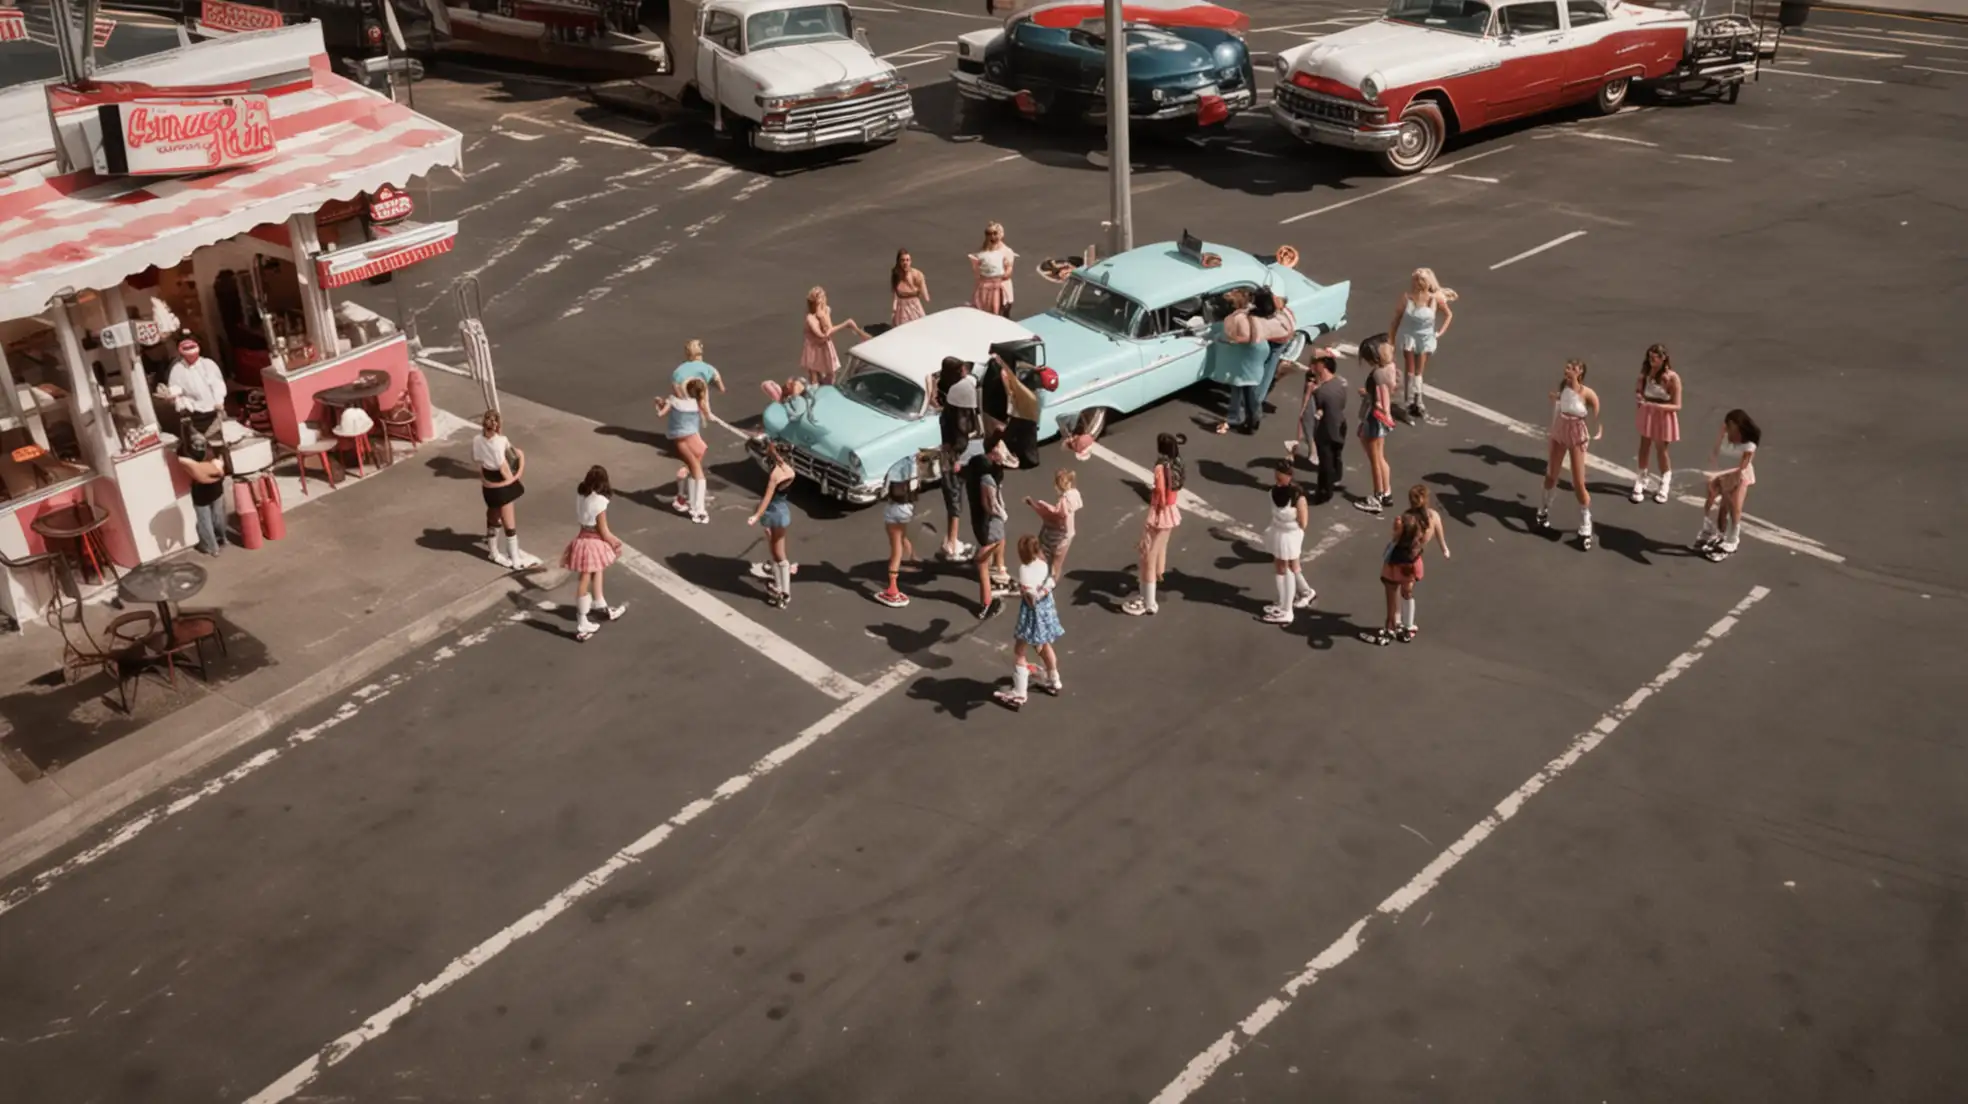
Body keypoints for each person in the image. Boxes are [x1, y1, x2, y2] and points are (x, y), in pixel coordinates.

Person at [1538, 359, 1604, 549]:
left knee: (1578, 482)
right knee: (1551, 475)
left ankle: (1586, 524)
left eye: (1572, 369)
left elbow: (1597, 417)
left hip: (1576, 434)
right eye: (1566, 367)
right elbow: (1560, 403)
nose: (1567, 371)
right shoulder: (1563, 386)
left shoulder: (1587, 393)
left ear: (1580, 372)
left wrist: (1597, 429)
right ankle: (1542, 510)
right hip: (1560, 431)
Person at [1373, 484, 1450, 645]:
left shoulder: (1406, 518)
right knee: (1407, 592)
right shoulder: (1433, 517)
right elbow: (1439, 533)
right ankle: (1408, 626)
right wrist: (1444, 548)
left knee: (1392, 591)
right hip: (1413, 562)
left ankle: (1392, 625)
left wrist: (1396, 528)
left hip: (1397, 561)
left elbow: (1396, 539)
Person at [994, 534, 1065, 710]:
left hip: (1032, 616)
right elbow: (1050, 582)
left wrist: (1024, 592)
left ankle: (1019, 691)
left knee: (1019, 650)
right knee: (1044, 645)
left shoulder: (1024, 570)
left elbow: (1031, 598)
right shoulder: (1043, 565)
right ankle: (1054, 679)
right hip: (1047, 613)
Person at [561, 466, 626, 642]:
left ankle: (599, 603)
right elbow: (604, 531)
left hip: (582, 537)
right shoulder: (599, 502)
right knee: (585, 578)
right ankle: (582, 622)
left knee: (597, 569)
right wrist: (615, 544)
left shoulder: (582, 495)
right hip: (593, 541)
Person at [1123, 433, 1185, 616]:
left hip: (1160, 513)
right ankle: (1156, 579)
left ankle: (1149, 602)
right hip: (1171, 511)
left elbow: (1158, 491)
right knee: (1158, 550)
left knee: (1147, 557)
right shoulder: (1178, 463)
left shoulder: (1160, 467)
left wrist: (1157, 507)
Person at [473, 410, 541, 569]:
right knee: (509, 523)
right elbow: (511, 461)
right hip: (501, 483)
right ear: (497, 425)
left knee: (493, 516)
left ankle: (493, 550)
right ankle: (515, 557)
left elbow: (477, 460)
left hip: (488, 483)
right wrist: (521, 462)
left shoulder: (476, 440)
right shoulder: (501, 441)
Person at [1388, 268, 1456, 422]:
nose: (1418, 284)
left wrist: (1439, 332)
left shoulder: (1434, 299)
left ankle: (1418, 401)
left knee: (1419, 372)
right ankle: (1409, 401)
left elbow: (1448, 314)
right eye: (1416, 281)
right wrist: (1391, 340)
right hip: (1409, 336)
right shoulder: (1407, 298)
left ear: (1427, 283)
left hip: (1425, 338)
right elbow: (1396, 319)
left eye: (1421, 281)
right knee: (1410, 370)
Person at [1696, 409, 1761, 562]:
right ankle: (1717, 534)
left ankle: (1732, 540)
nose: (1729, 429)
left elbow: (1742, 467)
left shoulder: (1749, 446)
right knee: (1712, 502)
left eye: (1732, 426)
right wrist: (1713, 472)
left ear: (1740, 427)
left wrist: (1728, 485)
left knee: (1733, 508)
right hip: (1721, 472)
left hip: (1738, 476)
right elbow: (1715, 452)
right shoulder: (1725, 435)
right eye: (1727, 425)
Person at [1260, 460, 1318, 626]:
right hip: (1278, 532)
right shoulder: (1272, 492)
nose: (1277, 479)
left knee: (1287, 568)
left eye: (1281, 476)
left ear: (1289, 476)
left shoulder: (1298, 496)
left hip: (1291, 535)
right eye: (1276, 476)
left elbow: (1303, 523)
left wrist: (1289, 528)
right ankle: (1291, 599)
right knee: (1282, 566)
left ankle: (1287, 610)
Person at [936, 361, 983, 562]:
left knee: (951, 497)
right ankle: (952, 543)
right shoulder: (961, 395)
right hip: (958, 454)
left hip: (946, 450)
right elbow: (963, 431)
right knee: (959, 496)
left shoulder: (944, 388)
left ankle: (951, 539)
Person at [654, 377, 712, 524]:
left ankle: (698, 510)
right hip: (696, 440)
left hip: (683, 441)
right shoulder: (697, 403)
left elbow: (661, 414)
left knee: (697, 472)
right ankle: (694, 506)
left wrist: (658, 404)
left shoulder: (674, 401)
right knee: (695, 471)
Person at [747, 439, 797, 608]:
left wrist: (756, 516)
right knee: (776, 551)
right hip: (782, 511)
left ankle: (783, 591)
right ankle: (781, 587)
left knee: (778, 554)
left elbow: (767, 498)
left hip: (773, 512)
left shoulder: (775, 474)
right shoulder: (790, 471)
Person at [1354, 335, 1400, 514]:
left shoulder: (1377, 374)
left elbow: (1381, 399)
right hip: (1379, 419)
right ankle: (1386, 492)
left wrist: (1372, 400)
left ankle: (1377, 496)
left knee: (1375, 459)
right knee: (1380, 456)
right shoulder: (1389, 368)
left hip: (1374, 417)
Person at [1631, 343, 1682, 504]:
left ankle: (1665, 480)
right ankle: (1641, 477)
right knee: (1644, 446)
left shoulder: (1673, 378)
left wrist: (1657, 406)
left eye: (1654, 357)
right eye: (1649, 357)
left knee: (1661, 450)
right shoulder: (1645, 374)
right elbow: (1638, 390)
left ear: (1663, 358)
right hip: (1648, 413)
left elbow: (1677, 405)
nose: (1651, 360)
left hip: (1663, 416)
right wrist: (1639, 397)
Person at [1215, 288, 1270, 435]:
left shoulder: (1241, 318)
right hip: (1252, 353)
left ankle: (1251, 421)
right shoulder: (1250, 313)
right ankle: (1246, 418)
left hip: (1248, 355)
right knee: (1244, 387)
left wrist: (1230, 340)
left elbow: (1246, 337)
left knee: (1247, 389)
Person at [1298, 350, 1348, 503]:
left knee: (1325, 462)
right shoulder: (1340, 383)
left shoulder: (1320, 391)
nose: (1313, 365)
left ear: (1324, 366)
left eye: (1316, 363)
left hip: (1326, 430)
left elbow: (1313, 410)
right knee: (1336, 456)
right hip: (1340, 425)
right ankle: (1336, 479)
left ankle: (1324, 492)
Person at [969, 442, 1010, 618]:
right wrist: (1003, 514)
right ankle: (987, 603)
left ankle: (986, 600)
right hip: (990, 525)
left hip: (979, 525)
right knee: (983, 567)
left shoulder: (972, 481)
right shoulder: (987, 481)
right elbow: (991, 505)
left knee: (984, 561)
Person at [163, 336, 228, 439]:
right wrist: (177, 401)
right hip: (193, 414)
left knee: (217, 443)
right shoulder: (177, 370)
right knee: (199, 447)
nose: (189, 351)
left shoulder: (208, 364)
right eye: (186, 348)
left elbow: (218, 385)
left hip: (213, 411)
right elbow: (175, 391)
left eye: (191, 347)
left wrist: (219, 402)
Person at [176, 433, 228, 557]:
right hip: (216, 488)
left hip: (200, 491)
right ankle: (222, 539)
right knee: (218, 516)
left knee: (205, 521)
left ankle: (213, 547)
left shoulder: (186, 455)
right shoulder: (213, 450)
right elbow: (221, 466)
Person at [802, 287, 865, 388]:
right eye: (819, 299)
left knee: (831, 373)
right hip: (814, 348)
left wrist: (823, 317)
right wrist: (846, 324)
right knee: (814, 377)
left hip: (825, 345)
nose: (822, 301)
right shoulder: (810, 318)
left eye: (823, 297)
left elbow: (829, 329)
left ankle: (828, 389)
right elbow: (822, 334)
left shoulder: (826, 310)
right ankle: (816, 392)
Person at [876, 461, 918, 608]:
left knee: (895, 546)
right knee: (901, 538)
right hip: (907, 507)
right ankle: (911, 560)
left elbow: (886, 490)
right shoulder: (912, 463)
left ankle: (893, 589)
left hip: (894, 508)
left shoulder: (895, 465)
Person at [1026, 467, 1081, 578]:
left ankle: (1041, 582)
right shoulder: (1074, 494)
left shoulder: (1063, 501)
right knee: (1057, 564)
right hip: (1066, 537)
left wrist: (1034, 504)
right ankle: (1051, 585)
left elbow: (1058, 515)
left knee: (1041, 555)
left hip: (1053, 535)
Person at [996, 351, 1044, 470]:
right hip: (1025, 409)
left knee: (1017, 431)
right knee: (1026, 433)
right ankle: (1027, 457)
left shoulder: (1011, 373)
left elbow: (1010, 391)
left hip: (1019, 409)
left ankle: (1015, 454)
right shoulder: (1027, 374)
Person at [970, 222, 1017, 317]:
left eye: (995, 233)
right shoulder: (983, 251)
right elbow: (978, 269)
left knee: (1001, 315)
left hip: (1001, 289)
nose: (992, 236)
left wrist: (1000, 275)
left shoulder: (1006, 251)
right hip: (985, 288)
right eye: (989, 234)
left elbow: (1009, 271)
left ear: (1001, 234)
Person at [891, 249, 930, 329]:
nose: (905, 263)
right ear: (899, 262)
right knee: (903, 331)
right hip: (901, 309)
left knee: (920, 329)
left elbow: (926, 297)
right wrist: (894, 309)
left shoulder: (917, 274)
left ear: (910, 261)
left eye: (907, 260)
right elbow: (896, 293)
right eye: (902, 260)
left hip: (914, 307)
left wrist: (920, 284)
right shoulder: (896, 274)